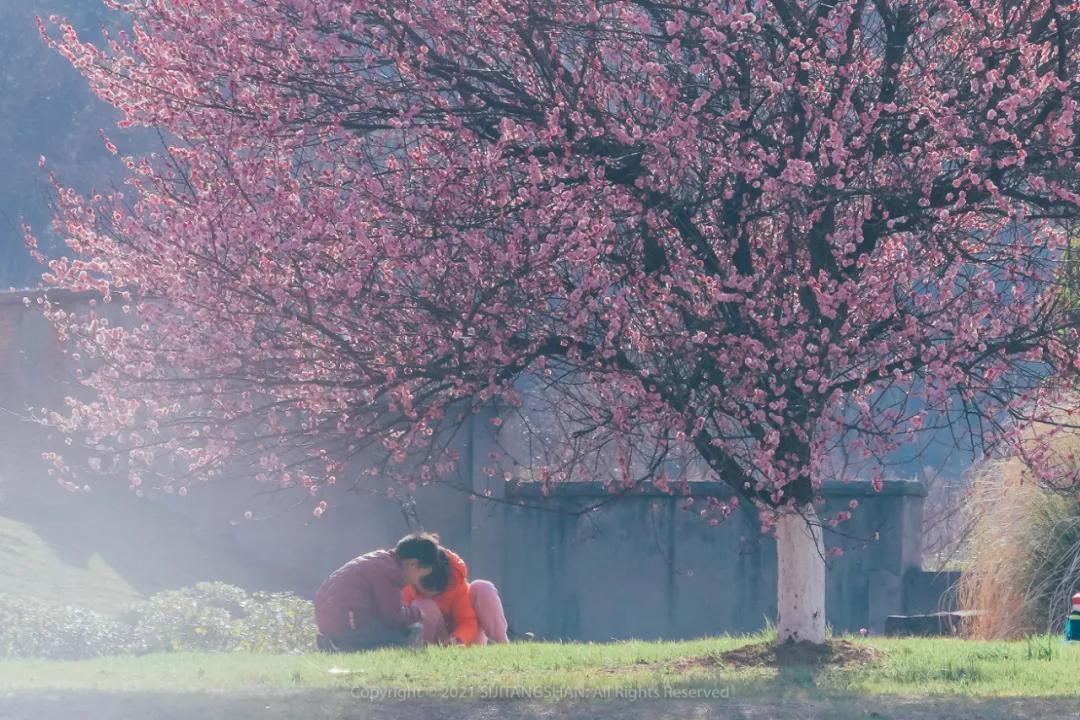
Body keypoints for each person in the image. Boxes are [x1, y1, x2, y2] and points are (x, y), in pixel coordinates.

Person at [314, 532, 445, 652]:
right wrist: (417, 614)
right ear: (412, 564)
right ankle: (340, 645)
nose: (416, 583)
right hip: (347, 624)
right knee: (406, 637)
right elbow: (393, 616)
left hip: (331, 621)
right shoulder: (389, 572)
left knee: (400, 632)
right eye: (421, 576)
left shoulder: (382, 561)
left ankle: (336, 642)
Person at [402, 545, 509, 646]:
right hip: (431, 643)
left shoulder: (456, 582)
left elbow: (467, 621)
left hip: (463, 643)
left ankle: (503, 646)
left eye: (435, 592)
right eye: (425, 589)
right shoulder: (407, 583)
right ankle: (423, 649)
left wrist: (457, 639)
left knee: (483, 588)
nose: (430, 595)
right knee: (423, 605)